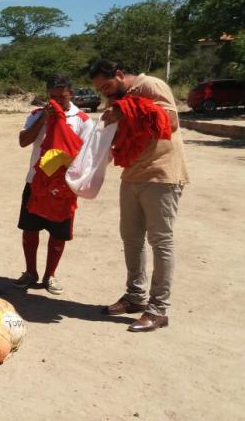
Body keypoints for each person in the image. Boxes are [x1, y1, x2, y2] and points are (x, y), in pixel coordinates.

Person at [90, 60, 189, 332]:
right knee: (131, 239)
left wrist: (124, 112)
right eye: (101, 91)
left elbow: (169, 121)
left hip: (161, 175)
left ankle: (158, 310)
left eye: (108, 86)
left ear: (120, 75)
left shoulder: (150, 85)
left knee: (160, 241)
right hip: (133, 175)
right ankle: (135, 297)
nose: (106, 94)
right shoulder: (121, 99)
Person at [14, 74, 94, 295]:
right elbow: (23, 142)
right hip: (35, 181)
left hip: (64, 186)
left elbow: (85, 155)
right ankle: (30, 273)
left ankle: (50, 275)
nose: (57, 100)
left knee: (58, 233)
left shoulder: (83, 120)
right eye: (52, 96)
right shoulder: (36, 114)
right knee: (29, 229)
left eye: (61, 96)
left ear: (71, 93)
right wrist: (43, 120)